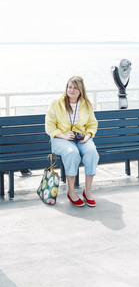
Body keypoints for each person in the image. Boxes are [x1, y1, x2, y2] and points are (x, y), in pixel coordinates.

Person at [45, 76, 99, 207]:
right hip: (60, 139)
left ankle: (88, 192)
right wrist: (63, 135)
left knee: (92, 152)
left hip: (81, 138)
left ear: (81, 90)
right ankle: (71, 192)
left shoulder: (86, 105)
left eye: (75, 88)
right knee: (72, 152)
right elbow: (49, 125)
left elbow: (92, 124)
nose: (72, 90)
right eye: (69, 87)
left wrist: (87, 136)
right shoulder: (56, 103)